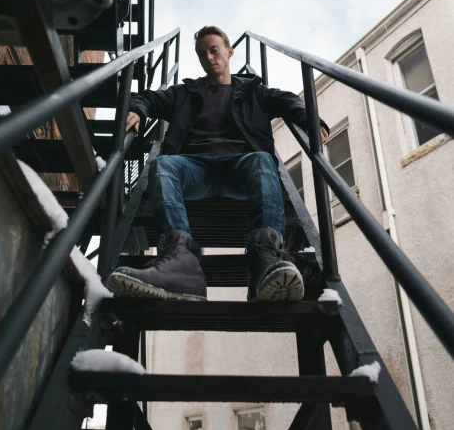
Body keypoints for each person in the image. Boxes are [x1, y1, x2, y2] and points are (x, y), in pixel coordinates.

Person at [106, 26, 329, 303]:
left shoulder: (253, 91)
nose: (209, 57)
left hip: (240, 168)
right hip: (194, 168)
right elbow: (149, 98)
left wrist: (310, 119)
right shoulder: (184, 92)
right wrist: (138, 109)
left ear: (229, 51)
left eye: (214, 50)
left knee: (261, 160)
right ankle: (179, 262)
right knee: (162, 165)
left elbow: (288, 100)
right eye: (202, 54)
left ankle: (267, 260)